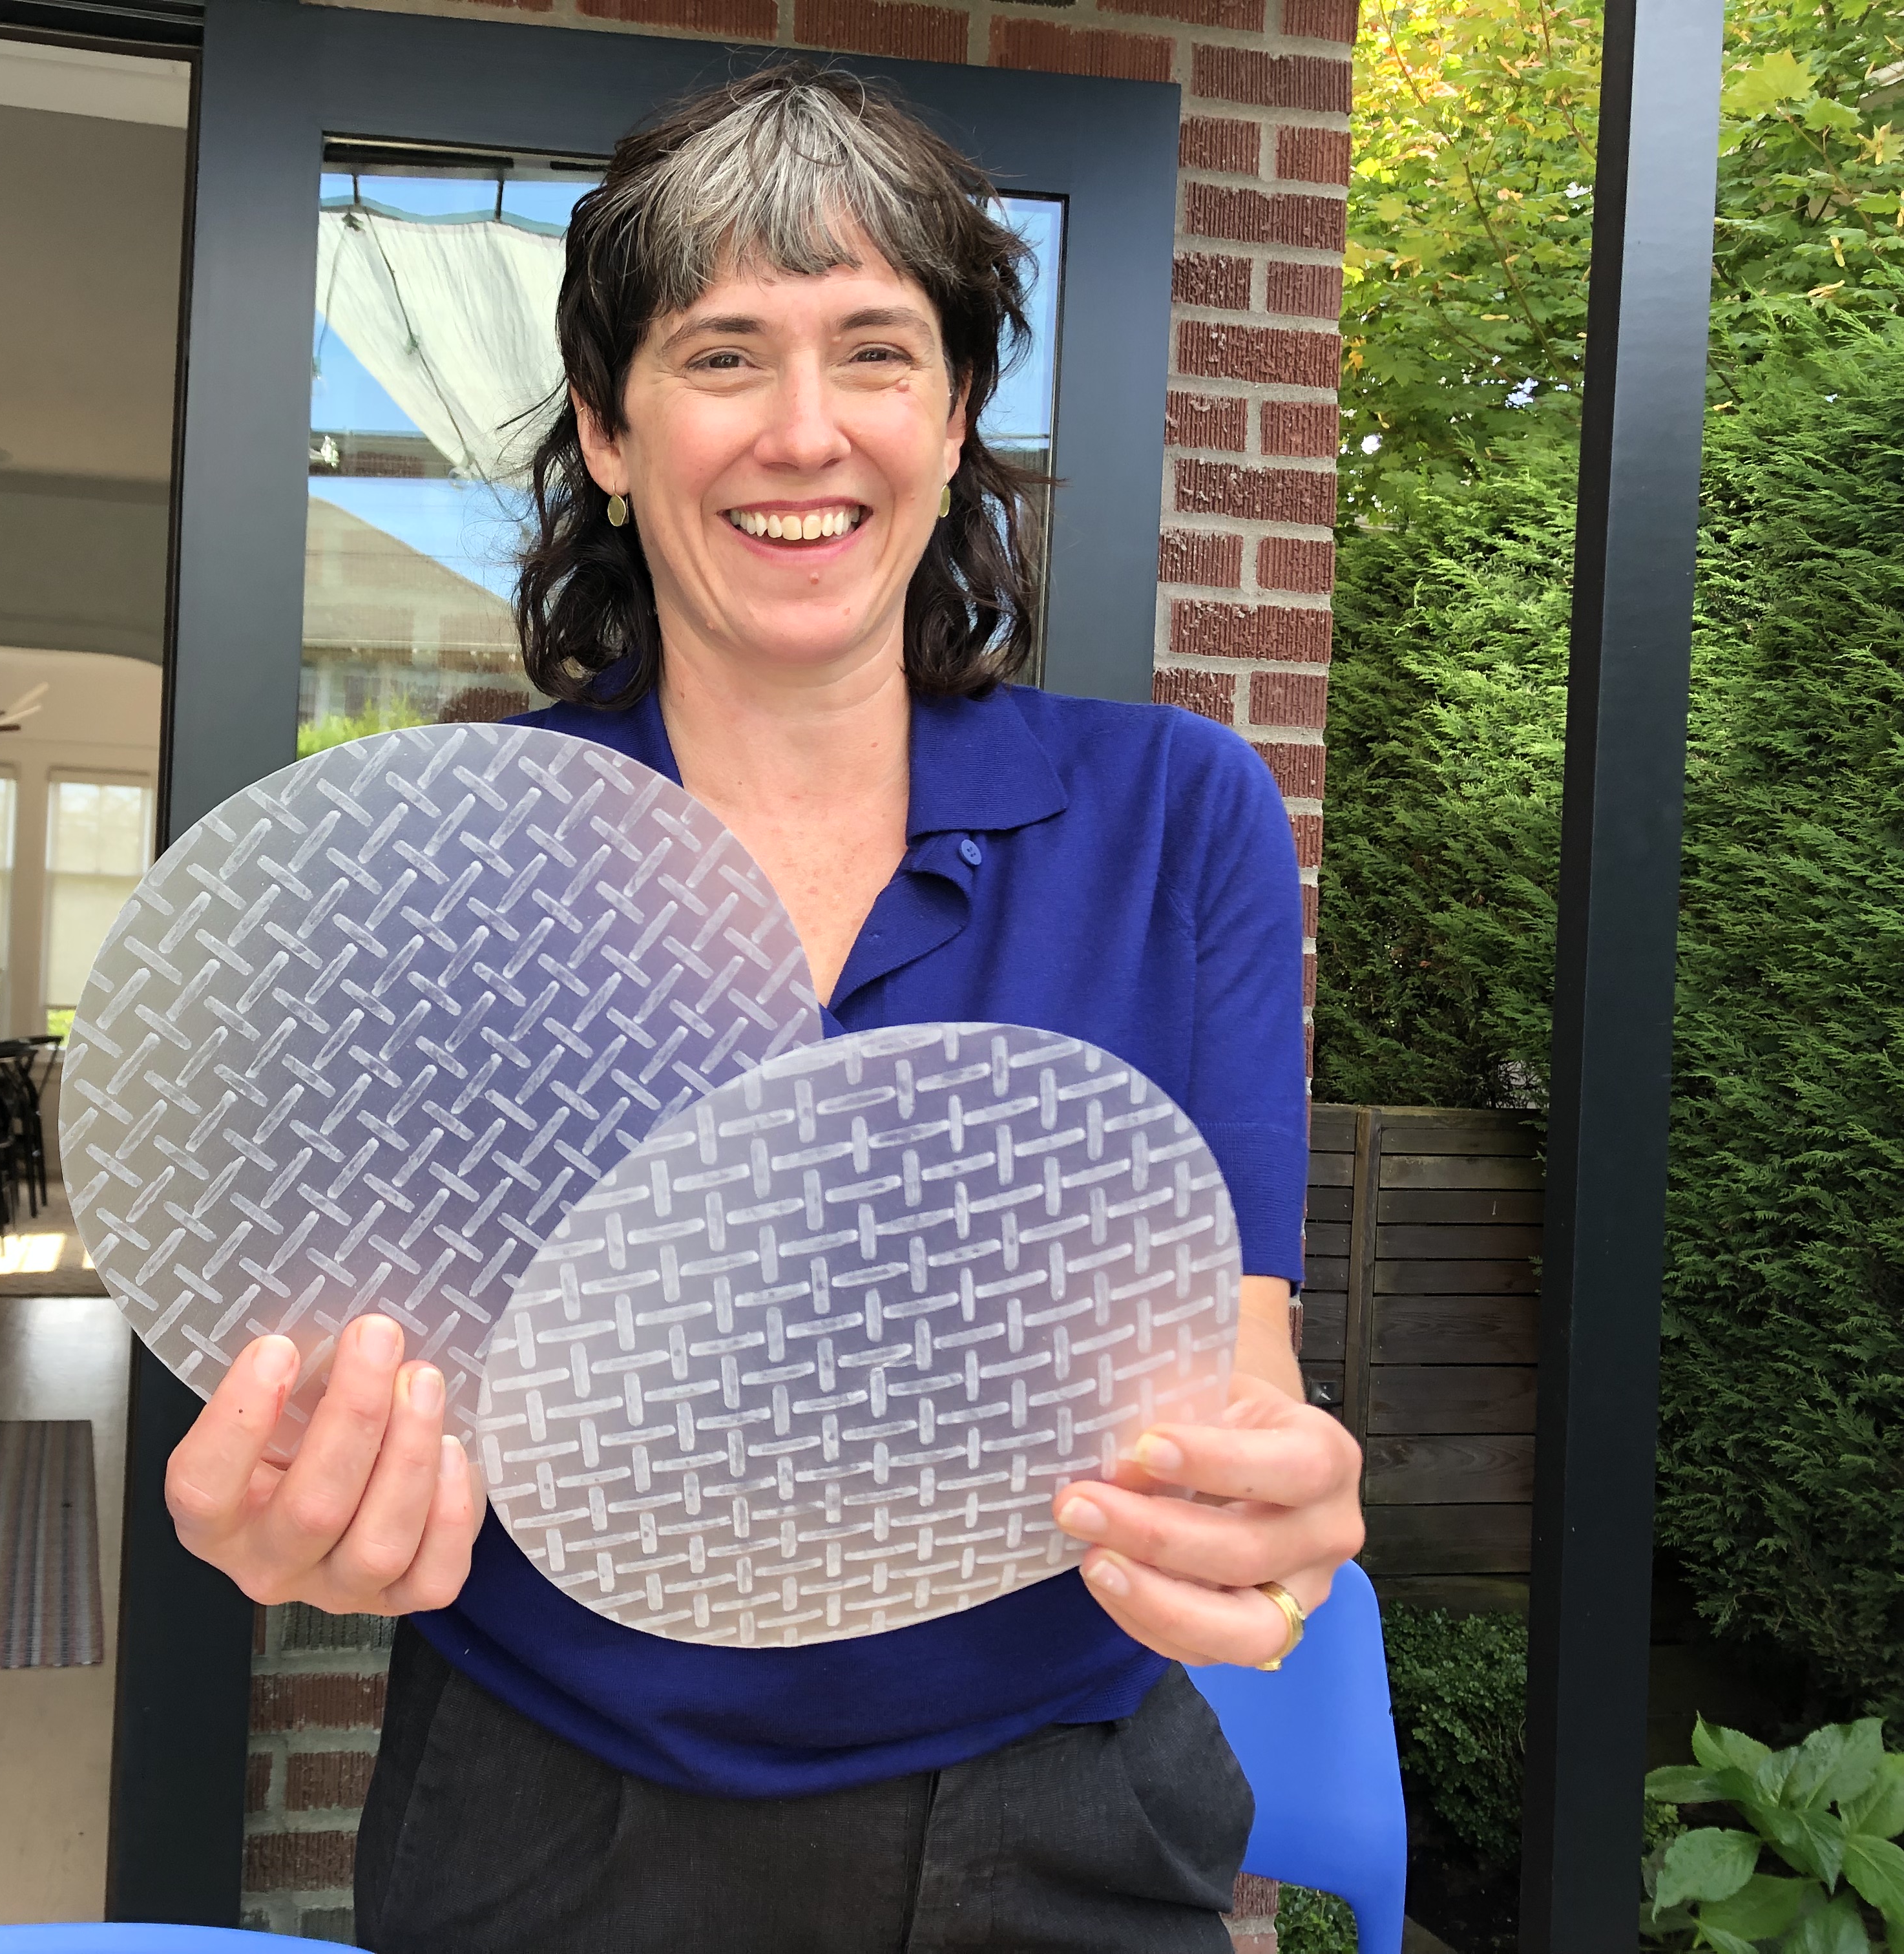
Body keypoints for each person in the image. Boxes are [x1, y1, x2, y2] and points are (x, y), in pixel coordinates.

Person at [165, 67, 1365, 1951]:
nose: (806, 433)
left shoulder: (1175, 818)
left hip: (1067, 1823)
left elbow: (1235, 1369)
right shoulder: (449, 871)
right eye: (724, 355)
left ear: (957, 415)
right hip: (544, 1819)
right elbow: (355, 1400)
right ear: (610, 431)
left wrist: (1264, 1510)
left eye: (876, 352)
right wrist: (289, 1514)